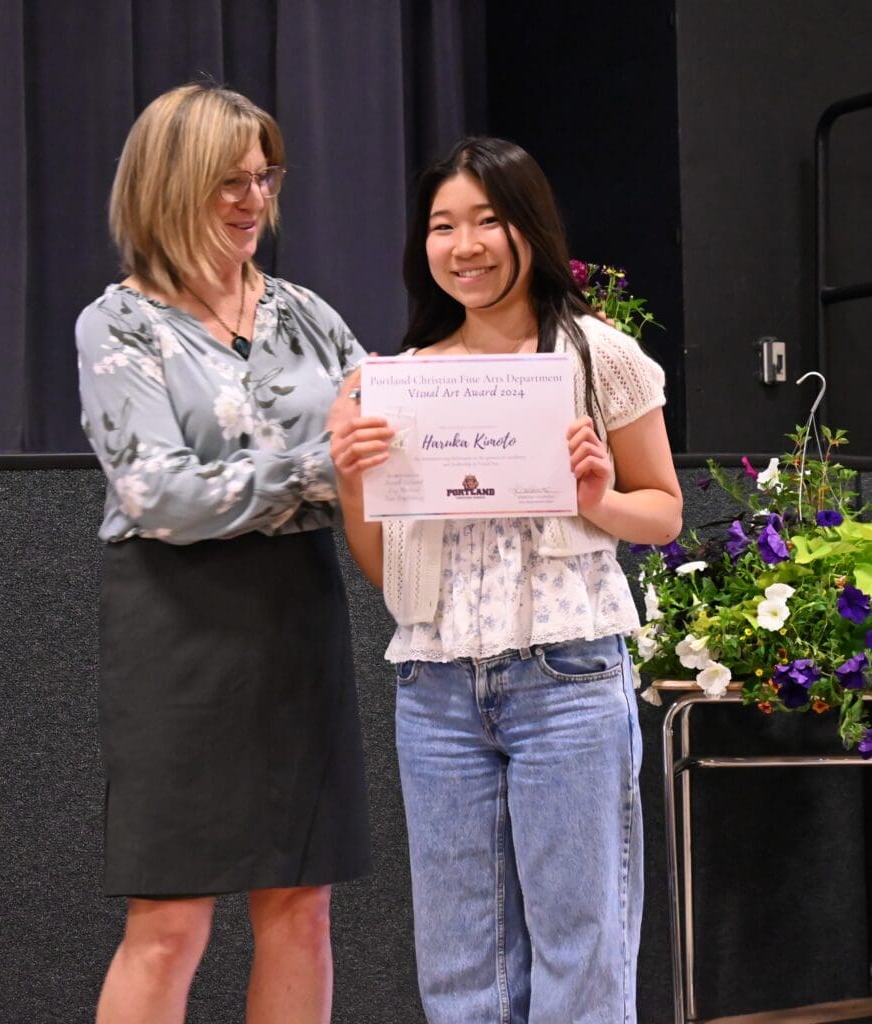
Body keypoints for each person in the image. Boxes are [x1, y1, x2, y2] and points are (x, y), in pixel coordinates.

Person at [329, 136, 682, 1024]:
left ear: (531, 228)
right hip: (436, 688)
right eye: (444, 225)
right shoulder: (394, 383)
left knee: (582, 940)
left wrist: (598, 496)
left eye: (488, 220)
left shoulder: (599, 355)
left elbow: (665, 511)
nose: (467, 244)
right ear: (424, 248)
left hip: (568, 678)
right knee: (460, 958)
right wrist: (350, 477)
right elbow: (388, 576)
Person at [75, 83, 370, 1024]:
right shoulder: (119, 324)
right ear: (167, 186)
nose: (252, 200)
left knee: (301, 904)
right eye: (225, 182)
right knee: (169, 920)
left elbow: (393, 426)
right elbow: (157, 495)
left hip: (299, 612)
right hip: (181, 619)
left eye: (262, 177)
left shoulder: (307, 314)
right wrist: (322, 468)